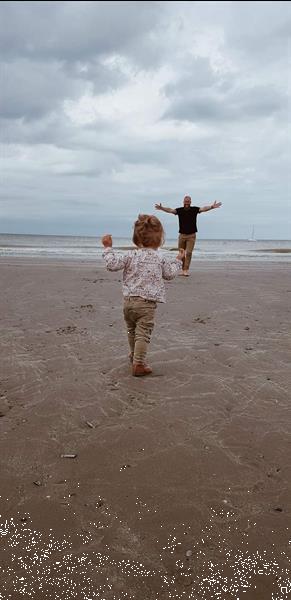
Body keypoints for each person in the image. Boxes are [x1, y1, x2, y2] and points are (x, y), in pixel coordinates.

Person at [101, 214, 184, 377]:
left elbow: (112, 265)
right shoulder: (160, 257)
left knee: (132, 331)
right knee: (143, 333)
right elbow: (169, 274)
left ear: (135, 238)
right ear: (160, 239)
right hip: (146, 305)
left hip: (128, 302)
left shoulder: (130, 255)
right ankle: (138, 364)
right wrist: (179, 260)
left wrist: (108, 247)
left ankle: (134, 356)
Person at [155, 196, 222, 276]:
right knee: (181, 253)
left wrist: (211, 207)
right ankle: (182, 270)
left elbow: (203, 209)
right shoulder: (179, 210)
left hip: (191, 235)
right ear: (183, 201)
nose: (187, 202)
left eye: (188, 201)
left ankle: (186, 270)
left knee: (189, 252)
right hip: (182, 235)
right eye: (185, 201)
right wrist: (162, 208)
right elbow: (170, 210)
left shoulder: (194, 209)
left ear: (190, 202)